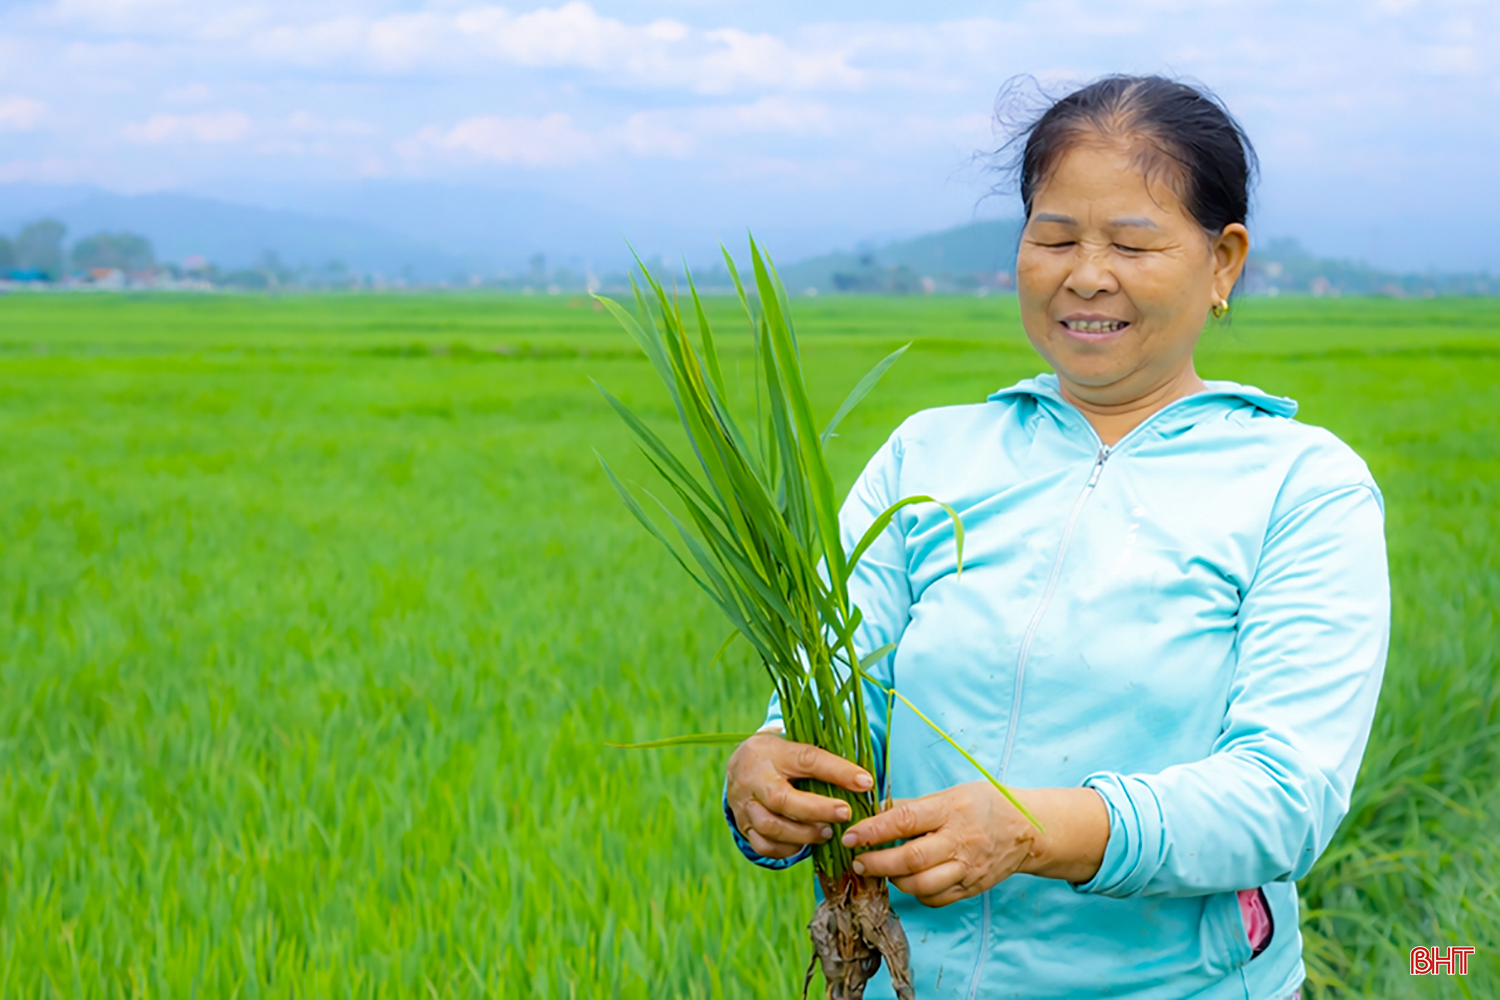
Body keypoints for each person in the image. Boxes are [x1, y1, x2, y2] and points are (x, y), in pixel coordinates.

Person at [724, 75, 1389, 1000]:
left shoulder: (1301, 485)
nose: (1085, 273)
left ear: (1224, 260)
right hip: (906, 981)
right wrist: (763, 772)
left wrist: (1037, 830)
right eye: (1055, 236)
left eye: (1132, 242)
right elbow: (836, 686)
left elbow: (1282, 797)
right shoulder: (930, 452)